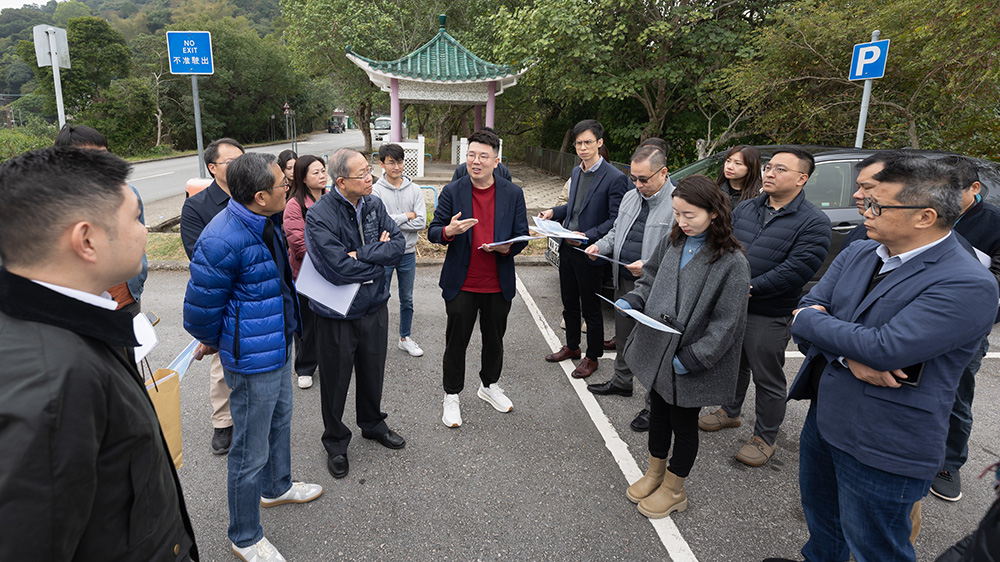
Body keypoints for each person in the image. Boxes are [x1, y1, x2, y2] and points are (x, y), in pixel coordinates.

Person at [769, 156, 998, 562]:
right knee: (823, 523)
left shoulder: (967, 282)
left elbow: (884, 349)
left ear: (925, 216)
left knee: (876, 546)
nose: (865, 210)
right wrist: (843, 354)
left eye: (878, 205)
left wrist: (817, 324)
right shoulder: (862, 251)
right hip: (826, 419)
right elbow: (806, 308)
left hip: (883, 440)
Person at [0, 146, 199, 560]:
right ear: (86, 240)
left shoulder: (69, 326)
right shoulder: (53, 387)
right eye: (134, 219)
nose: (145, 231)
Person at [184, 152, 322, 562]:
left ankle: (276, 488)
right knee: (248, 449)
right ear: (260, 195)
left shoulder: (265, 219)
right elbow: (200, 311)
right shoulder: (222, 237)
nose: (289, 186)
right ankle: (244, 535)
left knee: (281, 421)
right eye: (283, 183)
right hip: (251, 357)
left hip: (278, 343)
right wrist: (223, 342)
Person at [618, 175, 750, 519]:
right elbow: (648, 277)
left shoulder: (732, 261)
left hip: (688, 360)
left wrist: (692, 358)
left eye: (690, 214)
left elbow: (728, 323)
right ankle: (654, 474)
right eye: (677, 214)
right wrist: (634, 299)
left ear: (714, 213)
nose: (682, 222)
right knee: (658, 414)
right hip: (660, 351)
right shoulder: (673, 241)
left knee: (684, 423)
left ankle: (675, 489)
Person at [698, 147, 831, 467]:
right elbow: (724, 245)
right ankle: (730, 411)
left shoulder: (814, 222)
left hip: (769, 311)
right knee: (732, 363)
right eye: (769, 167)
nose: (769, 173)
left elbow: (797, 270)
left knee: (767, 375)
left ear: (802, 178)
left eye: (780, 169)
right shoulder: (746, 209)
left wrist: (749, 287)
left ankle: (766, 436)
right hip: (733, 303)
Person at [304, 147, 407, 480]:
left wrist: (362, 253)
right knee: (335, 382)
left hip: (375, 305)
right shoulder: (319, 215)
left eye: (369, 171)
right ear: (341, 181)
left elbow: (398, 246)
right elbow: (336, 268)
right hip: (337, 312)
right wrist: (375, 258)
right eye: (362, 174)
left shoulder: (374, 203)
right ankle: (335, 442)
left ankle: (372, 423)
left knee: (372, 370)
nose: (370, 177)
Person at [427, 129, 530, 428]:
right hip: (462, 282)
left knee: (494, 340)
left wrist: (509, 247)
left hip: (498, 282)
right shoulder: (453, 191)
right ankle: (451, 396)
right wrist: (449, 231)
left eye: (483, 156)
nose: (475, 161)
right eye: (471, 155)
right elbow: (434, 231)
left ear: (496, 160)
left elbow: (521, 234)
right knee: (456, 342)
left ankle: (489, 386)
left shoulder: (513, 194)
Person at [584, 145, 674, 432]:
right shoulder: (629, 197)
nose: (637, 185)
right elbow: (615, 232)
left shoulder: (678, 203)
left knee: (652, 346)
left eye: (644, 179)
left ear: (664, 173)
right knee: (623, 336)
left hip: (657, 286)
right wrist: (602, 246)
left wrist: (648, 264)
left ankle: (653, 406)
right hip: (623, 279)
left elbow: (680, 251)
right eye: (633, 178)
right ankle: (621, 382)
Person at [930, 155, 1000, 502]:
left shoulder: (993, 224)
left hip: (966, 331)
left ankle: (949, 463)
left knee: (956, 396)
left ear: (975, 188)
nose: (937, 197)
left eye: (947, 190)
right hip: (918, 322)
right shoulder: (927, 215)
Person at [539, 119, 629, 378]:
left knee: (591, 307)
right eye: (578, 143)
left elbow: (615, 220)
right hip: (567, 246)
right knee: (568, 302)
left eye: (588, 142)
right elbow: (573, 207)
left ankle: (592, 357)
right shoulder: (577, 172)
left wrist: (588, 237)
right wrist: (553, 213)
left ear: (600, 143)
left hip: (590, 251)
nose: (582, 147)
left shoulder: (614, 178)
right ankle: (572, 347)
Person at [180, 137, 245, 455]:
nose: (237, 167)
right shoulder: (197, 206)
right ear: (212, 167)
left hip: (255, 293)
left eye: (241, 160)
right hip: (223, 294)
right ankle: (223, 422)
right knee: (222, 360)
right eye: (229, 162)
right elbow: (198, 255)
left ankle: (251, 416)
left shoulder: (255, 197)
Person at [54, 124, 148, 317]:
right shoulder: (52, 203)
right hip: (80, 307)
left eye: (103, 156)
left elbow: (140, 241)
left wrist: (138, 279)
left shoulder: (128, 193)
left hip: (127, 301)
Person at [373, 142, 427, 357]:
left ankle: (405, 337)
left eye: (400, 161)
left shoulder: (414, 189)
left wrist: (394, 221)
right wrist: (407, 215)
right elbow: (379, 223)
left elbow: (421, 222)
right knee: (380, 297)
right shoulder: (376, 190)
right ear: (382, 164)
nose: (397, 166)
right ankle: (376, 339)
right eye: (391, 162)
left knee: (407, 298)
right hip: (384, 253)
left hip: (407, 252)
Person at [283, 154, 327, 390]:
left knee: (328, 322)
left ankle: (326, 361)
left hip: (331, 274)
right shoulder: (294, 205)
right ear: (303, 177)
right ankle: (305, 367)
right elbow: (299, 246)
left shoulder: (331, 200)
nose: (322, 175)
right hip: (305, 276)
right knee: (306, 325)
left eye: (323, 170)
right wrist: (334, 255)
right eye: (316, 172)